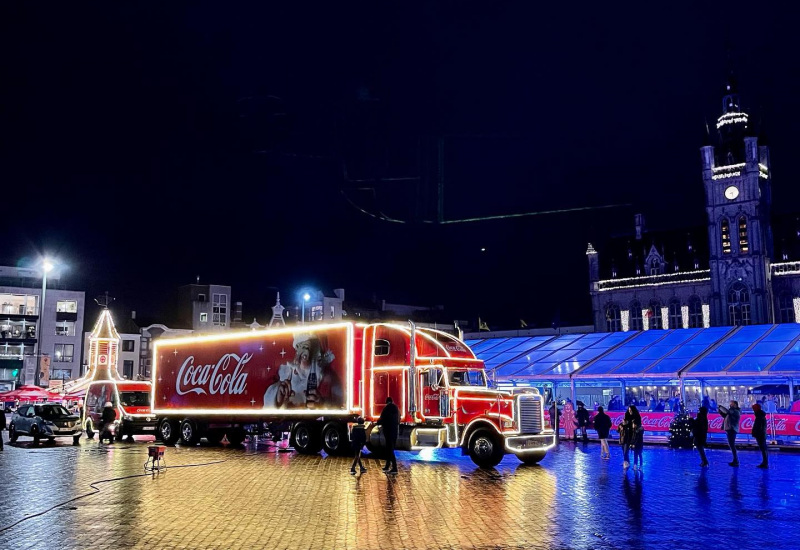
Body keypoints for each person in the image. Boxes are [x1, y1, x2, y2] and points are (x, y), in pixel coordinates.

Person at [264, 333, 342, 410]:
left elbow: (340, 405)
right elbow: (267, 405)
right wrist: (277, 398)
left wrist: (322, 405)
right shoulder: (286, 373)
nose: (304, 354)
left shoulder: (329, 377)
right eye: (301, 347)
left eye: (306, 347)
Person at [376, 397, 399, 474]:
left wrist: (377, 422)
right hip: (395, 431)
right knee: (390, 448)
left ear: (386, 402)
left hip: (388, 431)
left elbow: (382, 419)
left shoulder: (386, 409)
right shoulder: (396, 408)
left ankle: (394, 467)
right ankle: (387, 465)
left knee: (389, 449)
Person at [719, 400, 741, 466]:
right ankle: (735, 460)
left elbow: (728, 412)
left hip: (732, 429)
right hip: (729, 429)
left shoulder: (736, 411)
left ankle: (736, 460)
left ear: (735, 405)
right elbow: (726, 416)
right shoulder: (732, 411)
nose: (730, 405)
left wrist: (721, 407)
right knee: (731, 445)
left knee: (732, 445)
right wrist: (720, 412)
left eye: (732, 404)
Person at [751, 403, 768, 469]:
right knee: (763, 448)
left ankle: (765, 463)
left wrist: (755, 433)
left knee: (763, 448)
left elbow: (758, 427)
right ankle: (765, 462)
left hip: (760, 434)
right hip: (762, 434)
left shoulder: (759, 417)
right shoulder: (761, 416)